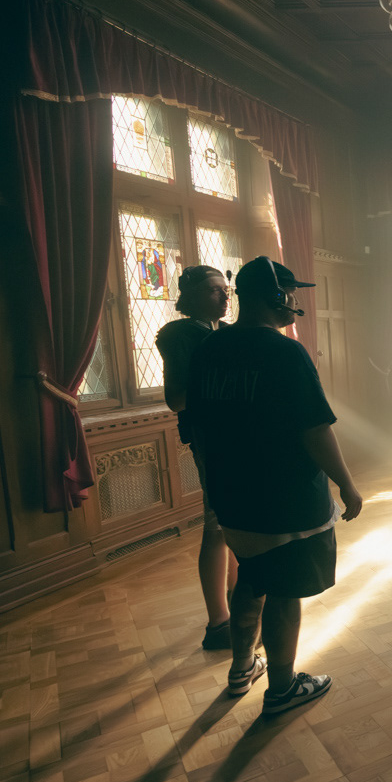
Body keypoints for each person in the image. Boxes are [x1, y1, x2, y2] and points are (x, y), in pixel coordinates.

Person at [187, 256, 363, 715]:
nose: (295, 302)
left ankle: (242, 667)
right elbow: (315, 429)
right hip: (285, 498)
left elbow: (198, 427)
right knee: (284, 591)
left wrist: (213, 484)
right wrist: (347, 485)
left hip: (232, 496)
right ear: (277, 296)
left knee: (252, 575)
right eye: (291, 294)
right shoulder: (286, 352)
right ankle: (283, 688)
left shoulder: (208, 349)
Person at [156, 265, 237, 650]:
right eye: (213, 290)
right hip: (213, 439)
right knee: (217, 526)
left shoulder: (224, 332)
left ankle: (238, 601)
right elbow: (176, 399)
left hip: (237, 437)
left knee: (235, 523)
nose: (224, 296)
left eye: (226, 289)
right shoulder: (181, 334)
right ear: (191, 297)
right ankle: (219, 622)